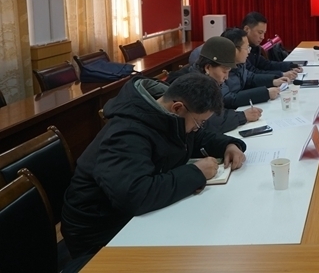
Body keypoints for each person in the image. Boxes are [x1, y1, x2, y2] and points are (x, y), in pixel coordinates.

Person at [61, 73, 247, 258]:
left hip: (127, 215)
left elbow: (197, 137)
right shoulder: (127, 133)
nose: (197, 128)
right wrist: (195, 172)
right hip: (100, 230)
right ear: (177, 108)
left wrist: (228, 145)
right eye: (199, 122)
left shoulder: (168, 114)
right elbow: (135, 196)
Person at [167, 36, 263, 132]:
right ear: (208, 68)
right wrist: (242, 116)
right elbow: (206, 122)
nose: (226, 77)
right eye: (224, 71)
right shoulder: (193, 86)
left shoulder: (208, 79)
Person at [221, 27, 285, 106]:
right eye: (246, 48)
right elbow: (228, 99)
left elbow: (250, 78)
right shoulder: (218, 69)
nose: (249, 51)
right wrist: (265, 93)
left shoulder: (239, 64)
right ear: (235, 50)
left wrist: (273, 81)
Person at [242, 12, 301, 80]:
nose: (262, 37)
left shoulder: (254, 47)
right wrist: (281, 74)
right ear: (246, 29)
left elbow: (266, 65)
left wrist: (290, 66)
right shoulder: (238, 48)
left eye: (264, 33)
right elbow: (253, 73)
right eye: (260, 32)